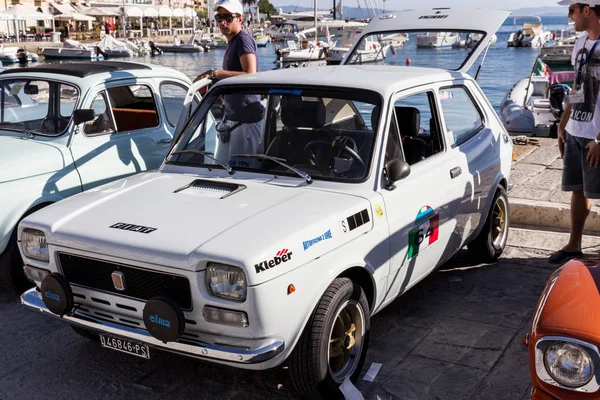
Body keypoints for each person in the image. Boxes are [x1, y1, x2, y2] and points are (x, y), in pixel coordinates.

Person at [550, 0, 600, 264]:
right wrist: (563, 124)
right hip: (576, 128)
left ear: (587, 10)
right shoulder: (580, 43)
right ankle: (574, 245)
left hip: (597, 135)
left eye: (572, 9)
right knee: (578, 189)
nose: (569, 15)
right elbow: (576, 85)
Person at [195, 0, 263, 156]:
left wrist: (216, 74)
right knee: (225, 166)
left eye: (228, 17)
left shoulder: (243, 40)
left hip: (246, 120)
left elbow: (250, 74)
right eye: (219, 18)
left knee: (239, 171)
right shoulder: (234, 42)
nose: (222, 22)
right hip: (235, 118)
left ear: (240, 19)